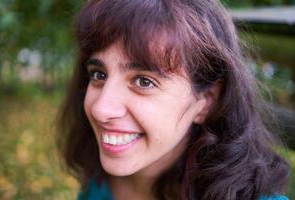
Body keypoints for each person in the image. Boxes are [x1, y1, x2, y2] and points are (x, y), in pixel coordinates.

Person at [57, 0, 291, 199]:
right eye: (99, 74)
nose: (100, 109)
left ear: (206, 101)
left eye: (143, 81)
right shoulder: (100, 182)